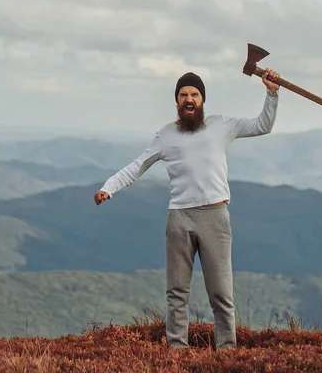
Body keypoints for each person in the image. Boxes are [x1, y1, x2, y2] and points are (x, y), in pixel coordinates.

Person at [94, 69, 281, 350]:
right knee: (177, 293)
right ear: (177, 101)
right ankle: (177, 353)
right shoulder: (166, 135)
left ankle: (228, 352)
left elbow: (262, 125)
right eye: (183, 95)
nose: (189, 99)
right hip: (179, 218)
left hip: (215, 217)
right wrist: (109, 187)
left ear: (203, 99)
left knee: (221, 293)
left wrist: (272, 93)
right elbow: (138, 165)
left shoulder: (223, 125)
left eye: (194, 94)